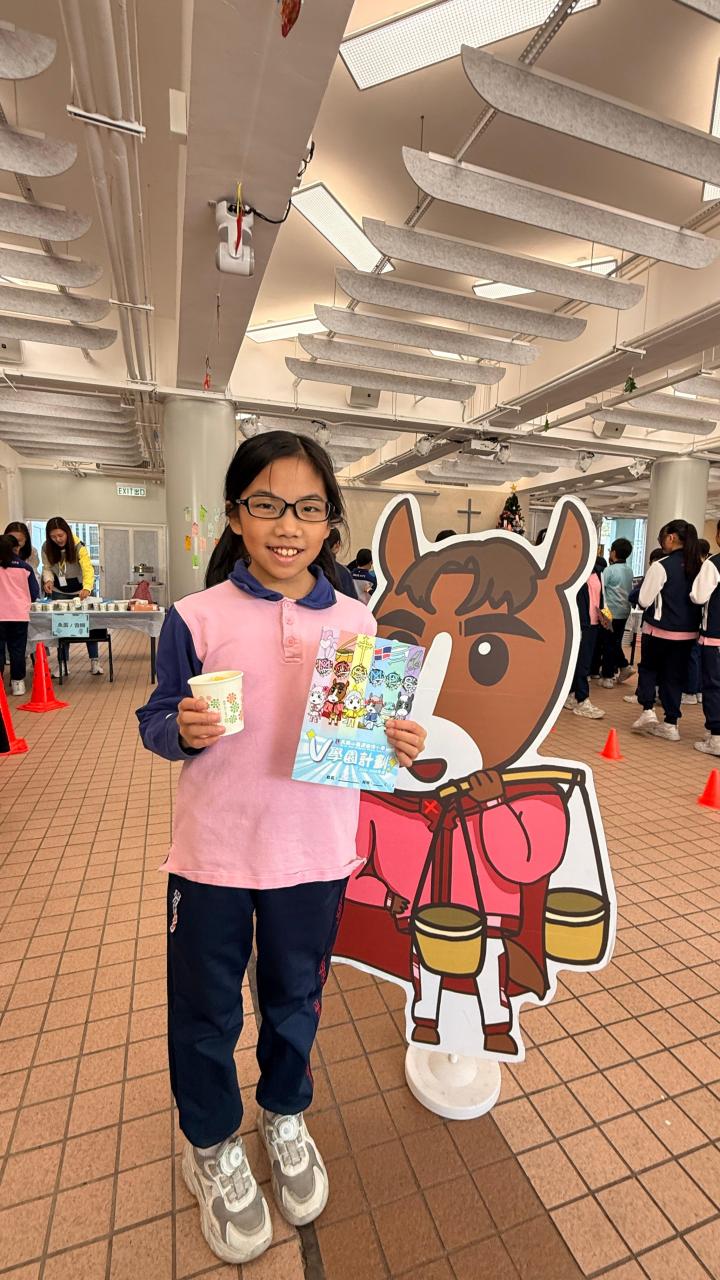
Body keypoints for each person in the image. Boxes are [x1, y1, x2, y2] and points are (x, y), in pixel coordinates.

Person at [136, 431, 426, 1266]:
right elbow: (156, 718)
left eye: (307, 508)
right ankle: (210, 1143)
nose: (287, 525)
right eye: (266, 505)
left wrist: (398, 742)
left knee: (296, 997)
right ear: (236, 515)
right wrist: (180, 730)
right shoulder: (195, 617)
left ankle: (284, 1111)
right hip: (214, 856)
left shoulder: (359, 620)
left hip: (316, 852)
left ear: (330, 522)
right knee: (205, 1010)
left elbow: (366, 733)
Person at [632, 519, 703, 741]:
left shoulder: (660, 566)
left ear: (671, 537)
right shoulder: (699, 566)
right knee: (674, 677)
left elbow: (644, 600)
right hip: (688, 634)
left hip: (658, 631)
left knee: (649, 669)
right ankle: (671, 723)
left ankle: (647, 710)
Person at [41, 517, 102, 676]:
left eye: (60, 535)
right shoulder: (47, 547)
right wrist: (48, 580)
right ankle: (63, 664)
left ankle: (94, 661)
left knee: (90, 626)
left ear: (67, 532)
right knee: (62, 628)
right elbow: (47, 567)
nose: (58, 539)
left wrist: (87, 587)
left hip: (80, 592)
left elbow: (88, 568)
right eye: (53, 536)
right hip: (59, 591)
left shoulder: (78, 546)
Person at [566, 556, 610, 718]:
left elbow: (601, 597)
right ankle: (582, 699)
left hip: (594, 624)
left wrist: (606, 618)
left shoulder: (597, 572)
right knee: (581, 663)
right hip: (579, 624)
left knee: (584, 662)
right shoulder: (576, 571)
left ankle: (573, 695)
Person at [690, 520, 720, 756]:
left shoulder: (713, 564)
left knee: (714, 685)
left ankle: (716, 737)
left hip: (715, 637)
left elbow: (698, 596)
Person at [0, 532, 39, 695]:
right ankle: (18, 683)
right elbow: (34, 592)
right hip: (19, 615)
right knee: (17, 649)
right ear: (16, 549)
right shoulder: (25, 568)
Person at [599, 537, 635, 687]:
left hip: (610, 612)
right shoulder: (629, 570)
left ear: (613, 553)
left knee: (608, 643)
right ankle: (624, 666)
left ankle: (608, 676)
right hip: (625, 611)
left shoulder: (609, 570)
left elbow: (601, 590)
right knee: (615, 641)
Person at [682, 538, 710, 705]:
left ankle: (691, 691)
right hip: (706, 621)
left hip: (696, 618)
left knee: (693, 655)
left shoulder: (699, 569)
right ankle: (698, 690)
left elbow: (696, 596)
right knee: (700, 657)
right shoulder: (707, 566)